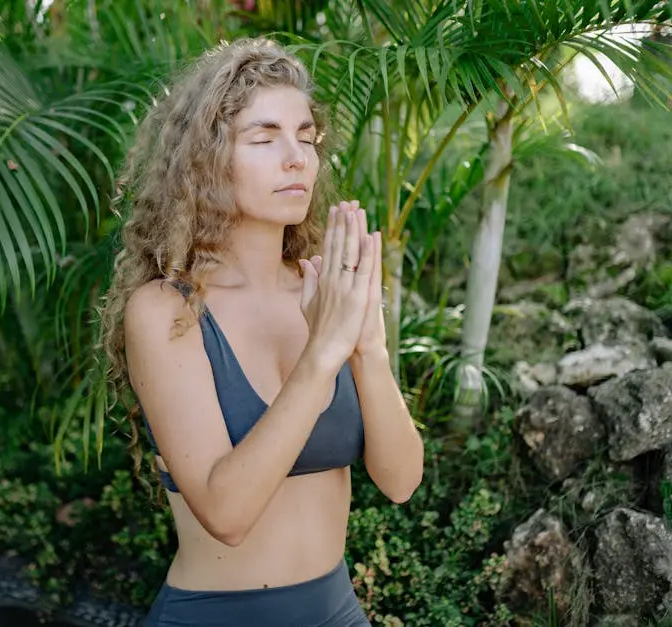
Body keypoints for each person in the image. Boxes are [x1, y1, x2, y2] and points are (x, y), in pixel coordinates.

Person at [99, 37, 424, 627]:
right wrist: (323, 355)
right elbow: (225, 512)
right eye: (265, 136)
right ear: (208, 160)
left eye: (306, 136)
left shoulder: (324, 288)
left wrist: (368, 348)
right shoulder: (165, 311)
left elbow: (400, 481)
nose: (296, 156)